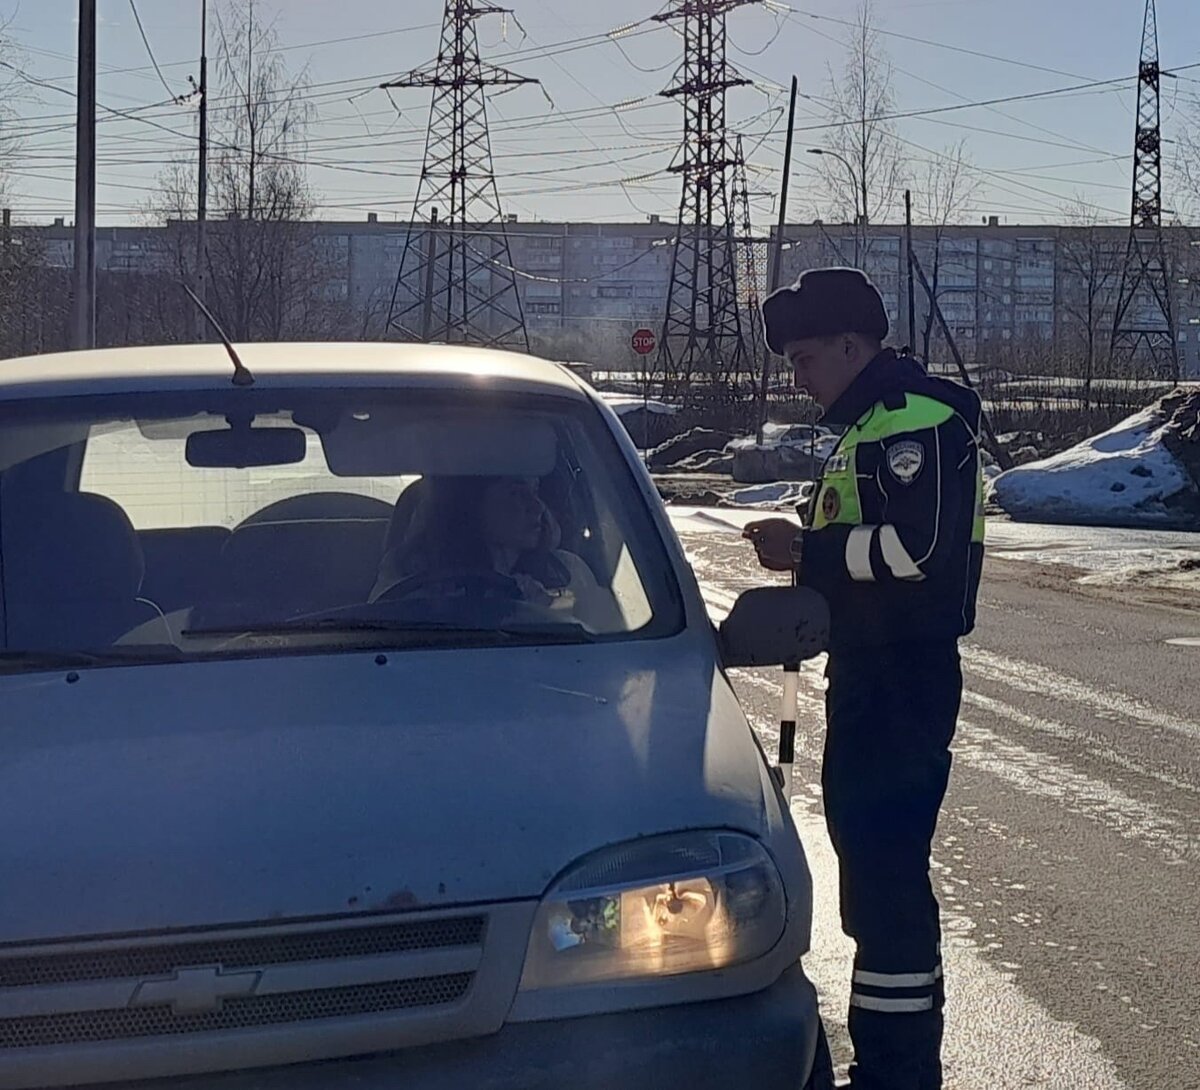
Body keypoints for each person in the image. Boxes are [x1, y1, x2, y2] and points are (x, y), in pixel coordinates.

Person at [744, 268, 984, 1090]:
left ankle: (899, 1073)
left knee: (884, 881)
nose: (799, 376)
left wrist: (804, 551)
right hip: (870, 673)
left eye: (807, 357)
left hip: (902, 678)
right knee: (873, 873)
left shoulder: (918, 422)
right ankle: (893, 1066)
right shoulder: (875, 424)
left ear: (853, 344)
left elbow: (919, 552)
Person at [372, 475, 614, 625]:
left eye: (535, 490)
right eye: (516, 493)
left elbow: (599, 649)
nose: (537, 506)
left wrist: (546, 616)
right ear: (471, 503)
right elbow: (383, 637)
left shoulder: (569, 572)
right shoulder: (409, 571)